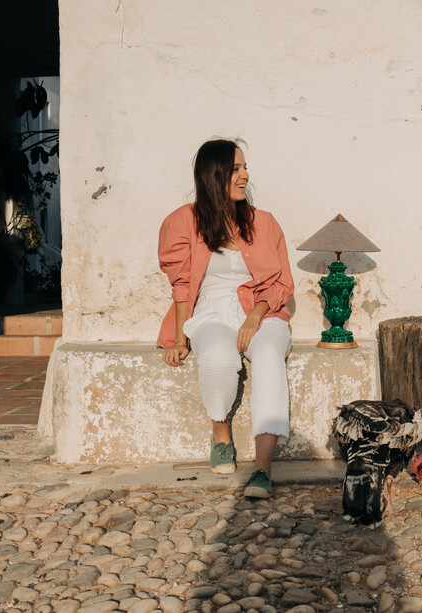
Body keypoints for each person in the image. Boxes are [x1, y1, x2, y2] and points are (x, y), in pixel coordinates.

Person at [157, 138, 294, 497]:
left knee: (267, 355)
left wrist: (256, 317)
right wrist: (178, 338)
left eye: (245, 168)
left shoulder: (263, 223)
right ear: (213, 174)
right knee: (218, 356)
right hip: (212, 310)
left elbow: (281, 283)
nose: (245, 176)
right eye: (236, 169)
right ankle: (221, 435)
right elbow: (183, 285)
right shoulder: (182, 222)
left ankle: (262, 469)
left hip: (263, 311)